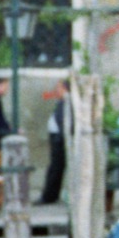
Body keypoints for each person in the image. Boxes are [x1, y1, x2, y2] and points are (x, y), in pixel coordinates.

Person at [39, 77, 71, 205]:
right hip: (56, 137)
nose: (56, 90)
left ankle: (49, 196)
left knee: (55, 168)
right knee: (55, 167)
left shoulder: (66, 101)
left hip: (60, 138)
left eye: (58, 87)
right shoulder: (62, 101)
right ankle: (50, 195)